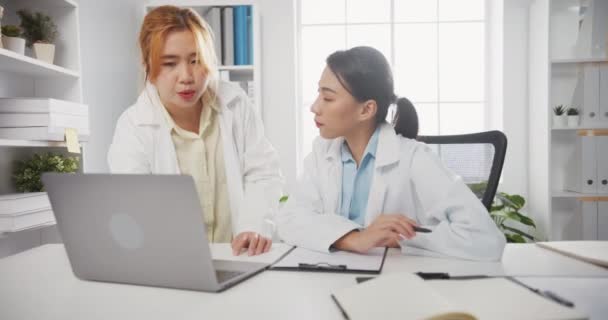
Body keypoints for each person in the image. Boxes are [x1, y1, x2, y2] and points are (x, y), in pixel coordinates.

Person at [275, 46, 505, 261]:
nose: (315, 107)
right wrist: (354, 239)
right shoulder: (322, 153)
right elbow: (289, 219)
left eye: (328, 98)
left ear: (366, 109)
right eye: (319, 94)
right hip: (332, 274)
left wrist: (399, 238)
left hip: (397, 280)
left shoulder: (414, 157)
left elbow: (485, 238)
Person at [108, 6, 283, 256]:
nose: (187, 77)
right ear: (147, 65)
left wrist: (254, 227)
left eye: (196, 60)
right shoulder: (133, 126)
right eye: (170, 64)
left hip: (240, 257)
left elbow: (263, 173)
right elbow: (135, 204)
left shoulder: (235, 103)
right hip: (173, 260)